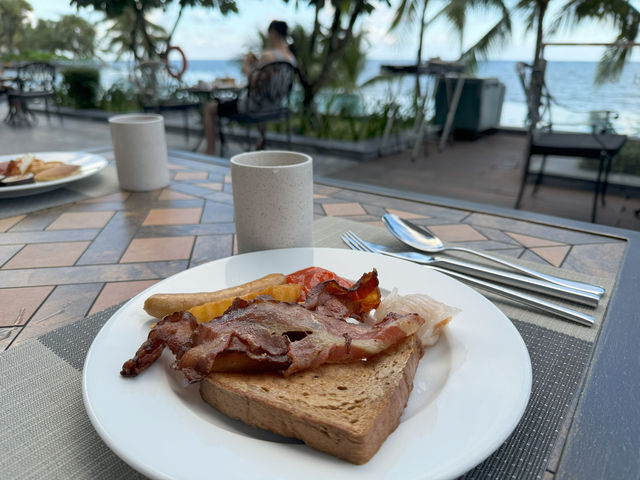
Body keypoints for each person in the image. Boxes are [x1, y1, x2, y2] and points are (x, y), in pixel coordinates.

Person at [203, 20, 296, 155]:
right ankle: (261, 139)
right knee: (258, 100)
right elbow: (266, 81)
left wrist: (246, 64)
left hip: (253, 107)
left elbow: (252, 82)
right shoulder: (291, 58)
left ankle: (209, 151)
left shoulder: (269, 56)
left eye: (268, 34)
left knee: (210, 108)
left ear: (273, 34)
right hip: (276, 106)